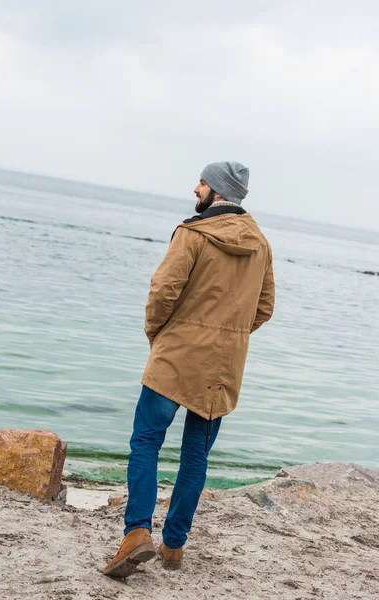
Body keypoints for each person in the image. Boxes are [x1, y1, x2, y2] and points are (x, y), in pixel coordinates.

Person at [102, 161, 275, 578]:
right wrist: (229, 336)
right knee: (195, 456)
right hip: (223, 366)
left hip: (176, 356)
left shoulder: (192, 233)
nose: (194, 187)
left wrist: (158, 334)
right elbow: (265, 307)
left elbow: (163, 291)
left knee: (145, 442)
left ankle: (137, 532)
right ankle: (174, 546)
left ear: (216, 191)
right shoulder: (261, 244)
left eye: (201, 182)